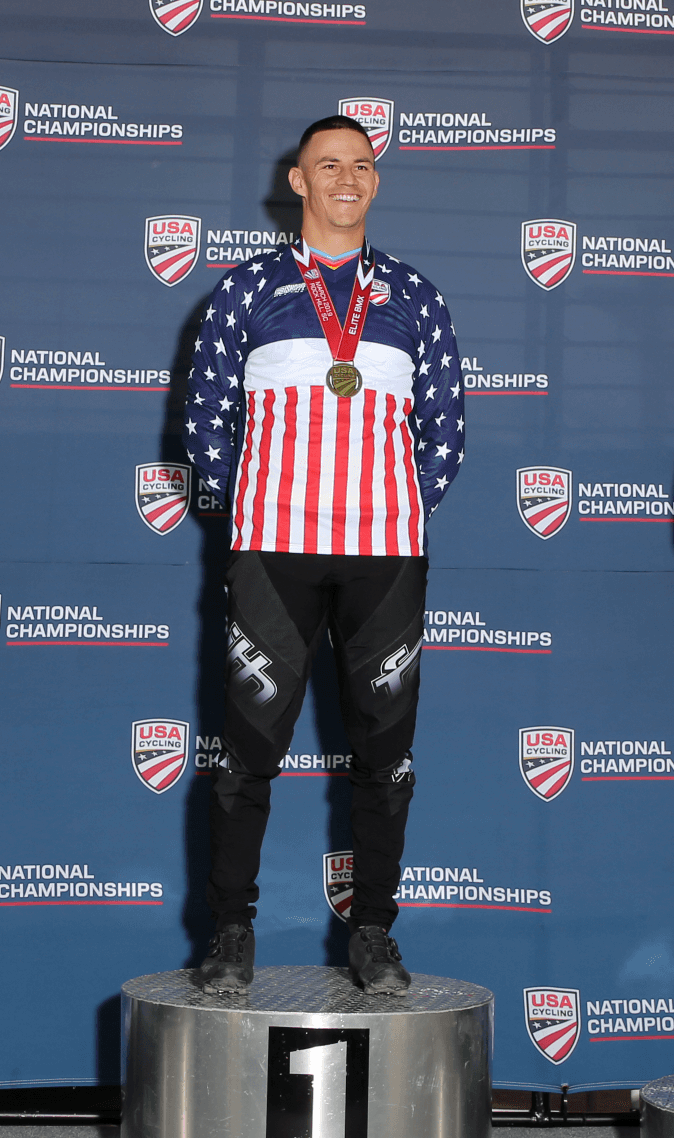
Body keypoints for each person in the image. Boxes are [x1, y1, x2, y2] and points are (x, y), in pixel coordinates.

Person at [184, 115, 464, 995]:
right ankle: (231, 931)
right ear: (297, 181)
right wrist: (260, 505)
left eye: (362, 165)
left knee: (387, 756)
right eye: (328, 164)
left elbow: (446, 430)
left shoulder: (416, 295)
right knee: (246, 751)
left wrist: (393, 506)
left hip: (385, 555)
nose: (347, 178)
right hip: (273, 551)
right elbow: (205, 421)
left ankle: (373, 930)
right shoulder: (245, 289)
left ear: (376, 182)